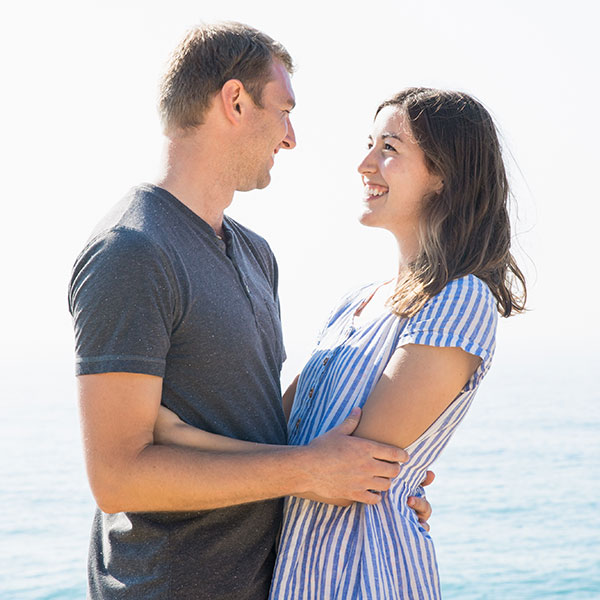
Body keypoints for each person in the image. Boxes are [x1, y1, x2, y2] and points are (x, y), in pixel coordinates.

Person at [68, 23, 432, 600]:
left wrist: (382, 489)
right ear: (234, 101)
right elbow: (117, 477)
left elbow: (265, 426)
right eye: (284, 110)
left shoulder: (256, 254)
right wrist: (311, 470)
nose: (291, 138)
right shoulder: (132, 251)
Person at [155, 88, 527, 599]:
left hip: (367, 577)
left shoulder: (460, 299)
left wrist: (180, 436)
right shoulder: (355, 303)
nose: (364, 164)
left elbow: (348, 467)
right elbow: (279, 436)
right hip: (296, 576)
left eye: (389, 149)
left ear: (444, 175)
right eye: (369, 144)